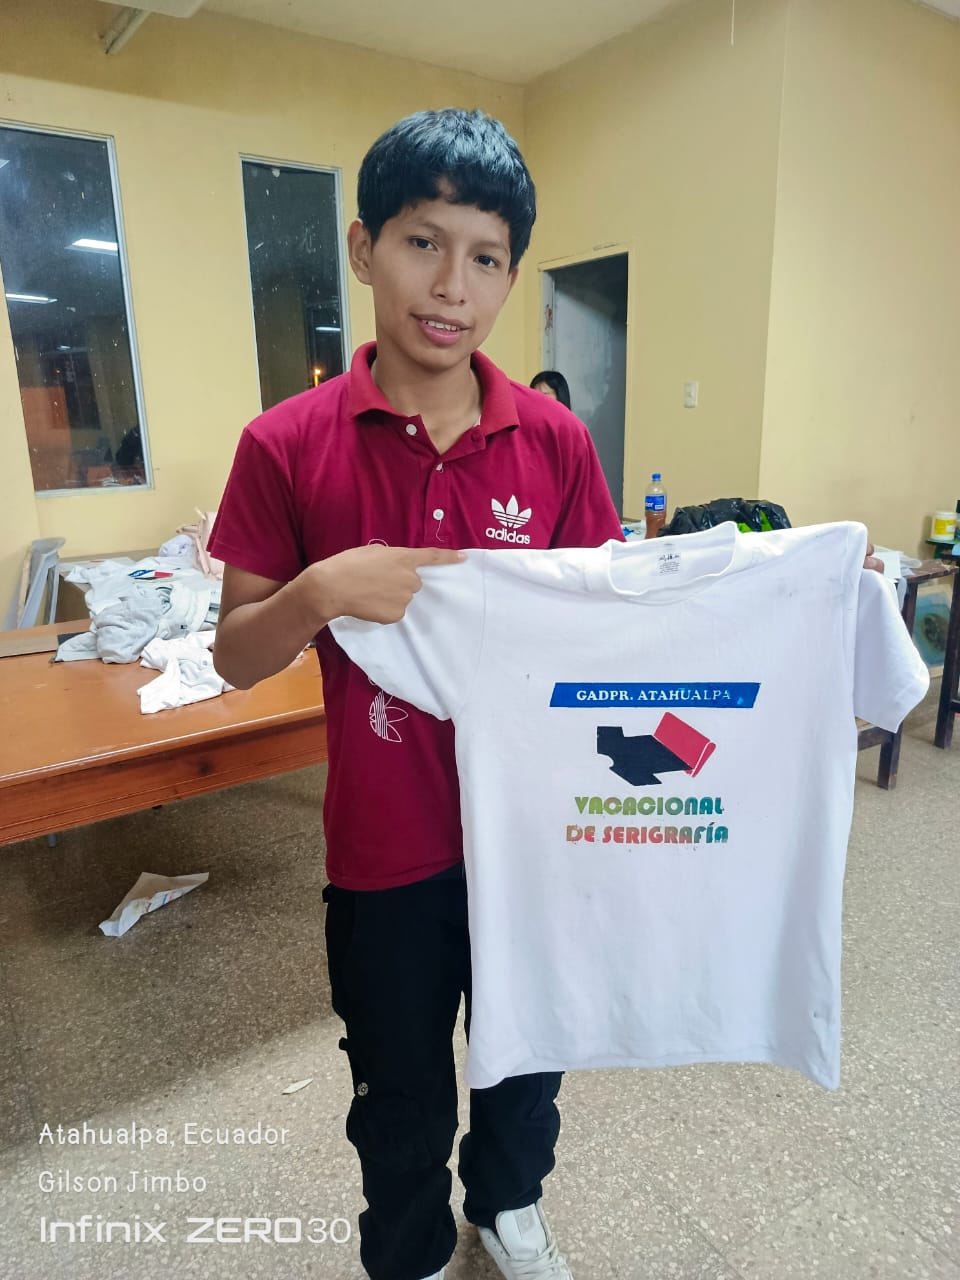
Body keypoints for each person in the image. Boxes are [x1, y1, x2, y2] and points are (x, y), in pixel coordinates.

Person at [209, 108, 621, 1280]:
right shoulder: (284, 444)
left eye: (486, 257)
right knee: (396, 1085)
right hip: (384, 853)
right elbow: (234, 655)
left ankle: (509, 1201)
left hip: (528, 842)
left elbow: (608, 624)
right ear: (363, 247)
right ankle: (408, 1247)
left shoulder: (555, 443)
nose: (452, 286)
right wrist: (321, 589)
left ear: (511, 276)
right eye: (422, 242)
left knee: (525, 1054)